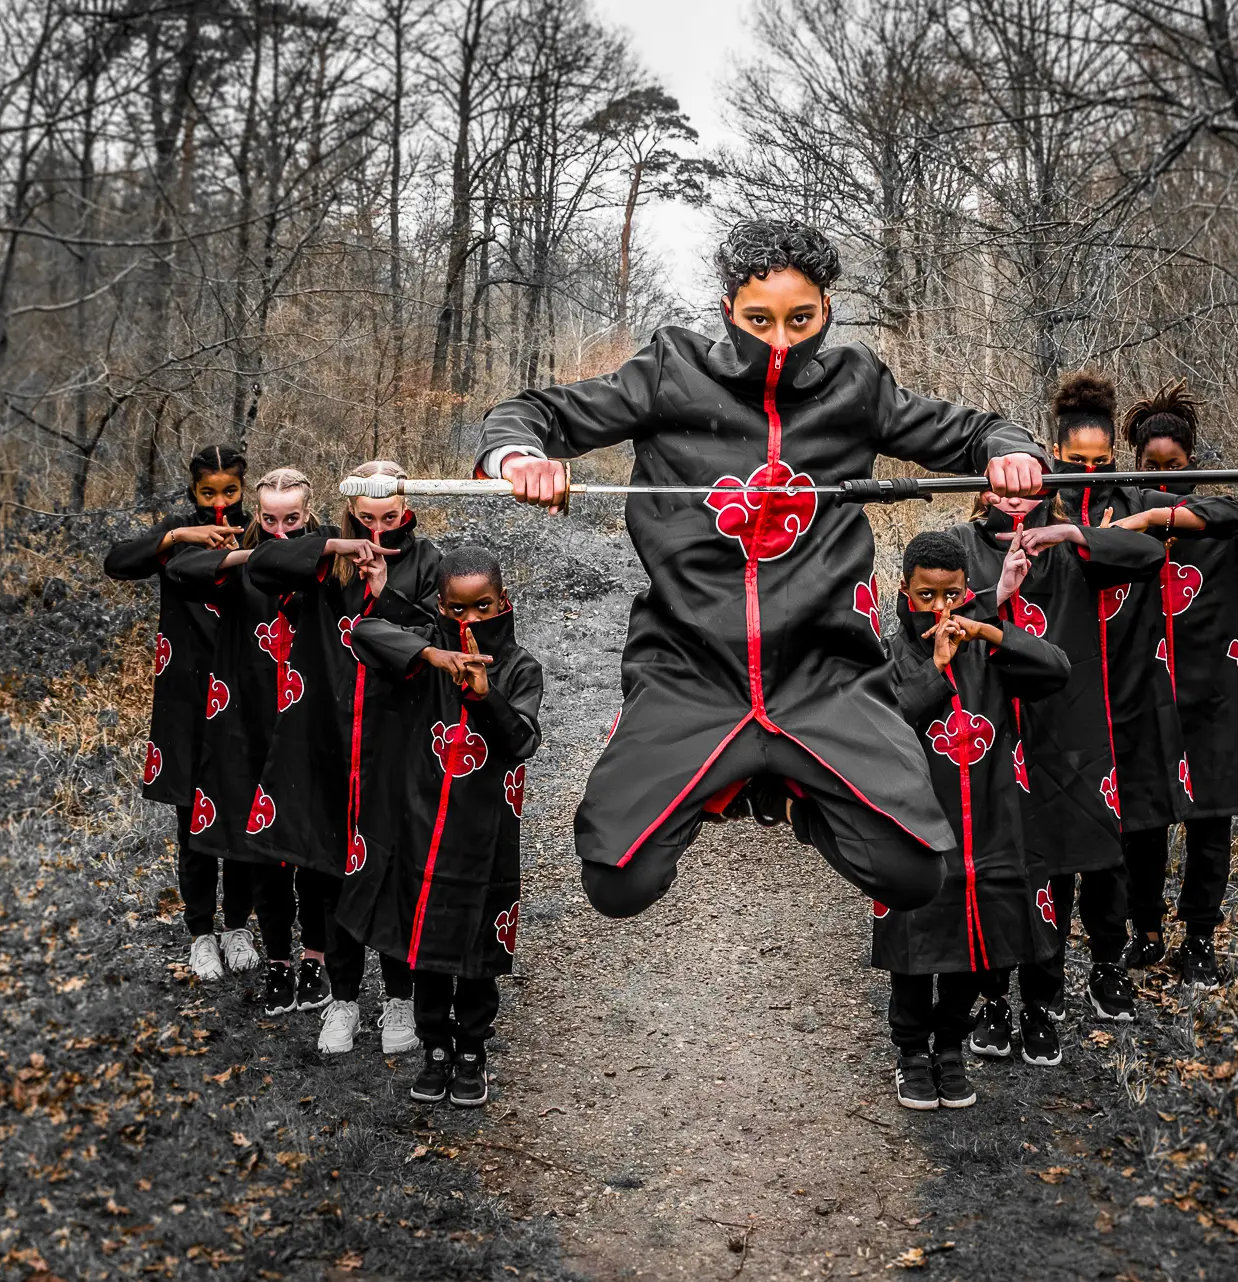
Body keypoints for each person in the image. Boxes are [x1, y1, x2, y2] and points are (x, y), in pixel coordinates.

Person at [476, 218, 1048, 921]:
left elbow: (977, 432)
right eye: (759, 320)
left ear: (827, 311)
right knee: (616, 887)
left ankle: (787, 796)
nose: (780, 341)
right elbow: (533, 413)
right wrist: (519, 457)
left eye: (800, 319)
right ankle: (724, 780)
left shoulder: (857, 385)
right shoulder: (669, 372)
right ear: (727, 311)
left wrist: (1011, 452)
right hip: (690, 667)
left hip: (824, 671)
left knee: (913, 876)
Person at [944, 373, 1166, 1063]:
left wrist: (1072, 530)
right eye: (1002, 486)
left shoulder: (1068, 546)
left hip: (1065, 734)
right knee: (998, 873)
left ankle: (1042, 1005)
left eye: (1028, 487)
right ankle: (991, 1003)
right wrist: (993, 592)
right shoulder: (957, 547)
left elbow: (1149, 554)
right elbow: (925, 621)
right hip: (987, 737)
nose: (1015, 497)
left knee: (1061, 868)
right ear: (984, 487)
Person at [166, 468, 392, 1017]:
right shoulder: (248, 556)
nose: (281, 529)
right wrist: (249, 552)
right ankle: (277, 961)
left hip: (313, 723)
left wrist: (329, 550)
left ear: (309, 511)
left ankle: (315, 958)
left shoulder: (332, 557)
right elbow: (179, 570)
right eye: (269, 519)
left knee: (313, 849)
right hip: (249, 724)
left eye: (292, 518)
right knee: (263, 855)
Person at [242, 461, 447, 1056]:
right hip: (328, 738)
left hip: (396, 738)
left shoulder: (427, 560)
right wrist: (335, 546)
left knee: (394, 871)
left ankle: (400, 999)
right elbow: (261, 566)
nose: (378, 528)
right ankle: (344, 998)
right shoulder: (327, 555)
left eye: (390, 516)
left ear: (406, 510)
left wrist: (387, 596)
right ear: (351, 512)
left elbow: (436, 640)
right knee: (332, 871)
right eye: (366, 517)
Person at [1118, 382, 1238, 987]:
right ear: (1134, 466)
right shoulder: (1118, 519)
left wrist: (1177, 515)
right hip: (1144, 696)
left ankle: (1199, 938)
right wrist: (1140, 520)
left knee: (1211, 822)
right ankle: (1146, 932)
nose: (1162, 479)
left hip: (1212, 698)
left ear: (1194, 466)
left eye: (1174, 468)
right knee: (1144, 820)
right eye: (1151, 469)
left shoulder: (1221, 520)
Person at [341, 546, 544, 1107]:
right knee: (425, 946)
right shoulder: (424, 649)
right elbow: (365, 634)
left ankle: (472, 1051)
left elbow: (522, 740)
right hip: (420, 829)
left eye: (482, 607)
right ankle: (434, 1048)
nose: (470, 620)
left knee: (476, 947)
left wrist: (485, 696)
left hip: (485, 836)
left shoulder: (520, 666)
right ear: (440, 605)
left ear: (502, 601)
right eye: (458, 609)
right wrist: (433, 654)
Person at [878, 531, 1069, 1110]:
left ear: (967, 592)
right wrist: (936, 669)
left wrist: (989, 630)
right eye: (926, 595)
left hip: (988, 826)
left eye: (952, 595)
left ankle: (950, 1049)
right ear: (904, 591)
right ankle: (913, 1054)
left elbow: (1056, 669)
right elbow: (889, 724)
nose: (940, 608)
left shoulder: (986, 648)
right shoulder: (890, 653)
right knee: (915, 946)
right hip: (916, 831)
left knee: (972, 946)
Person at [103, 445, 261, 982]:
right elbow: (117, 563)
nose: (220, 502)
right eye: (208, 492)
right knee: (193, 817)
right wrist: (175, 537)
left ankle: (237, 925)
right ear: (193, 491)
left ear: (243, 488)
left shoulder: (259, 530)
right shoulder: (176, 534)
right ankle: (200, 933)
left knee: (240, 812)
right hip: (186, 698)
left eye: (230, 491)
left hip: (244, 694)